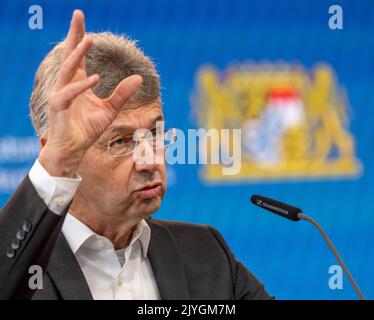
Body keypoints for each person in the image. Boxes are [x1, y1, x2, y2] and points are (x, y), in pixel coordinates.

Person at [0, 10, 272, 300]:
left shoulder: (207, 254)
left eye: (154, 134)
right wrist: (54, 166)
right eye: (120, 141)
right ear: (62, 152)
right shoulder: (25, 270)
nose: (149, 160)